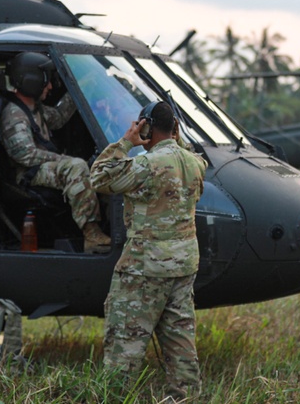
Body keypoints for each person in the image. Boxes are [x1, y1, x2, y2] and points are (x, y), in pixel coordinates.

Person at [89, 100, 207, 401]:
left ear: (147, 127)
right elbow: (194, 162)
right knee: (180, 342)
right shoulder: (195, 163)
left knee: (124, 343)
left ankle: (114, 397)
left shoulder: (146, 164)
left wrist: (126, 141)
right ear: (176, 129)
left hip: (145, 267)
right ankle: (186, 397)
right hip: (183, 265)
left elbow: (98, 177)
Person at [0, 52, 110, 251]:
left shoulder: (34, 108)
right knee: (75, 167)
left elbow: (58, 117)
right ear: (32, 81)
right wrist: (63, 159)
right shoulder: (14, 114)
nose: (50, 87)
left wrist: (81, 87)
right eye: (46, 81)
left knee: (95, 166)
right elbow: (24, 154)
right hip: (28, 174)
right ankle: (91, 234)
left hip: (42, 167)